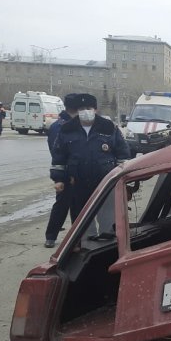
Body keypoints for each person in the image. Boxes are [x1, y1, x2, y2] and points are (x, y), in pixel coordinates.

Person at [50, 94, 129, 240]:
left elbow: (122, 153)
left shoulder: (108, 127)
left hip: (105, 182)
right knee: (83, 217)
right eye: (81, 108)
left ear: (95, 109)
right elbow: (59, 156)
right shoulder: (67, 129)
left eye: (88, 108)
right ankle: (87, 242)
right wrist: (59, 180)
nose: (85, 111)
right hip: (77, 182)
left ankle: (108, 241)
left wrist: (121, 177)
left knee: (107, 214)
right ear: (77, 110)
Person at [44, 94, 79, 248]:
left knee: (70, 204)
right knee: (64, 204)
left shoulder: (63, 124)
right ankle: (52, 236)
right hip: (65, 172)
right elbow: (57, 151)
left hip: (70, 171)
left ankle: (69, 236)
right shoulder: (61, 126)